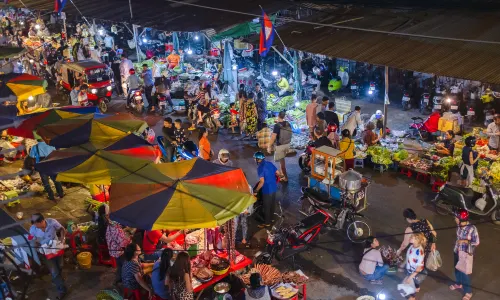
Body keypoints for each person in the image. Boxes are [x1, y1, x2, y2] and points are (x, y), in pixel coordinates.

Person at [30, 213, 67, 299]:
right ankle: (62, 290)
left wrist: (62, 239)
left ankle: (59, 279)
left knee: (60, 266)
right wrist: (34, 243)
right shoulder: (33, 229)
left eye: (36, 223)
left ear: (42, 221)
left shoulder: (52, 222)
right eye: (34, 224)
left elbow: (61, 229)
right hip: (45, 253)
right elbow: (31, 239)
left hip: (56, 248)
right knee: (54, 271)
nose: (35, 225)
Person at [450, 209, 479, 300]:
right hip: (457, 251)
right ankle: (458, 284)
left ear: (461, 219)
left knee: (464, 274)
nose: (455, 219)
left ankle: (468, 292)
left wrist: (464, 241)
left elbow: (476, 242)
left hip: (465, 254)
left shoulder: (472, 228)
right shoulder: (459, 226)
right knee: (457, 269)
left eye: (456, 217)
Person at [253, 152, 282, 228]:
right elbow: (278, 173)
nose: (255, 159)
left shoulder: (260, 168)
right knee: (272, 204)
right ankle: (271, 219)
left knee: (266, 207)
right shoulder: (270, 163)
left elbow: (261, 182)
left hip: (267, 190)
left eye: (255, 158)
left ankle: (267, 223)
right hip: (274, 188)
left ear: (258, 159)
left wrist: (256, 191)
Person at [105, 213, 131, 284]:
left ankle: (118, 279)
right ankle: (123, 280)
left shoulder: (110, 225)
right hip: (119, 251)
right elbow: (122, 242)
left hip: (113, 249)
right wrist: (129, 239)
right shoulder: (116, 228)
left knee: (119, 265)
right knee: (123, 266)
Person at [268, 111, 292, 182]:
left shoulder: (277, 126)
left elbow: (273, 137)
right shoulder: (288, 123)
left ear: (278, 116)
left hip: (280, 145)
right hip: (287, 144)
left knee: (282, 164)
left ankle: (285, 178)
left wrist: (269, 146)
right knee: (282, 160)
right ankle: (282, 174)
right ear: (284, 116)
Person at [403, 233, 427, 300]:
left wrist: (410, 277)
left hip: (414, 273)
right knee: (410, 288)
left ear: (417, 240)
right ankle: (416, 288)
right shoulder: (412, 246)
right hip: (409, 271)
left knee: (412, 293)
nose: (410, 238)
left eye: (412, 237)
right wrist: (403, 264)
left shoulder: (420, 252)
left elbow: (419, 268)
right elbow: (408, 257)